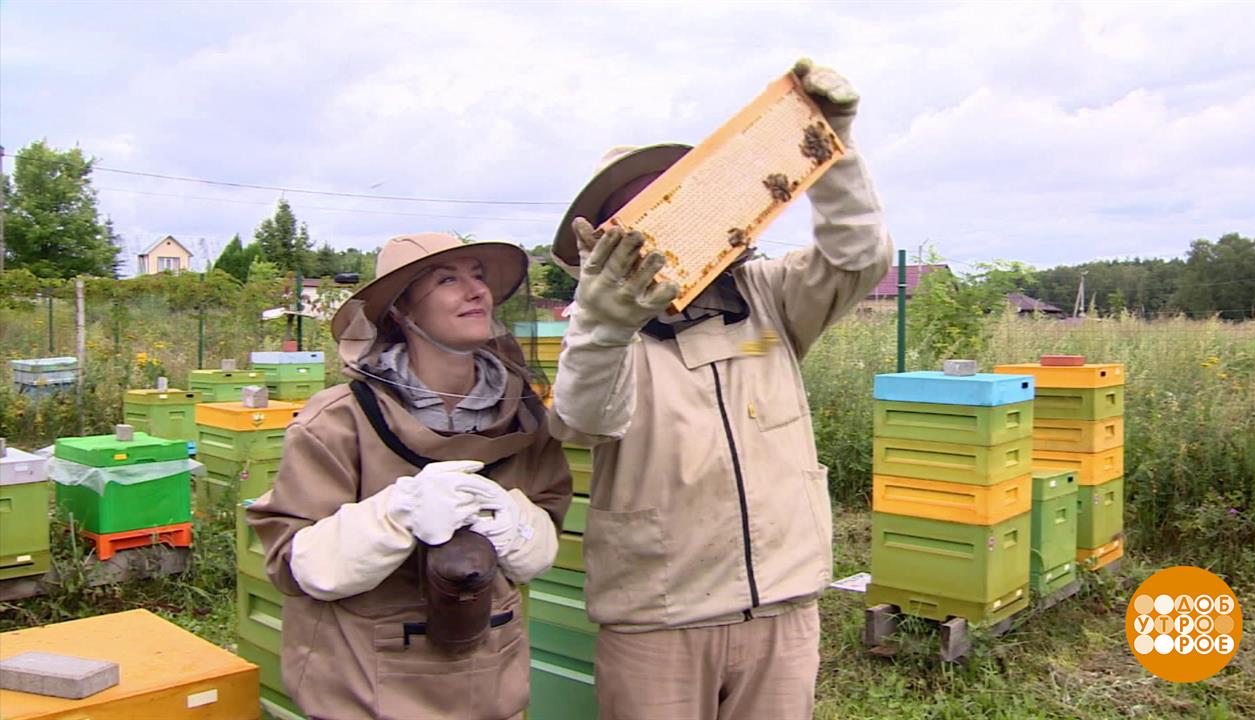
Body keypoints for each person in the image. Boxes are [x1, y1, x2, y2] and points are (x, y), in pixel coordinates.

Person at [547, 59, 893, 719]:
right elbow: (587, 417)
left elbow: (857, 257)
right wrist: (604, 324)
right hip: (659, 621)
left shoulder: (772, 298)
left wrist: (830, 146)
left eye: (672, 197)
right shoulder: (599, 339)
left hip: (783, 608)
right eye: (635, 213)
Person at [248, 232, 571, 720]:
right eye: (448, 279)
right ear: (401, 311)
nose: (476, 291)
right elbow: (292, 562)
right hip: (366, 690)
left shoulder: (524, 418)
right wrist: (394, 515)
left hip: (493, 687)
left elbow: (546, 525)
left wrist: (519, 524)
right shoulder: (338, 421)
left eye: (478, 277)